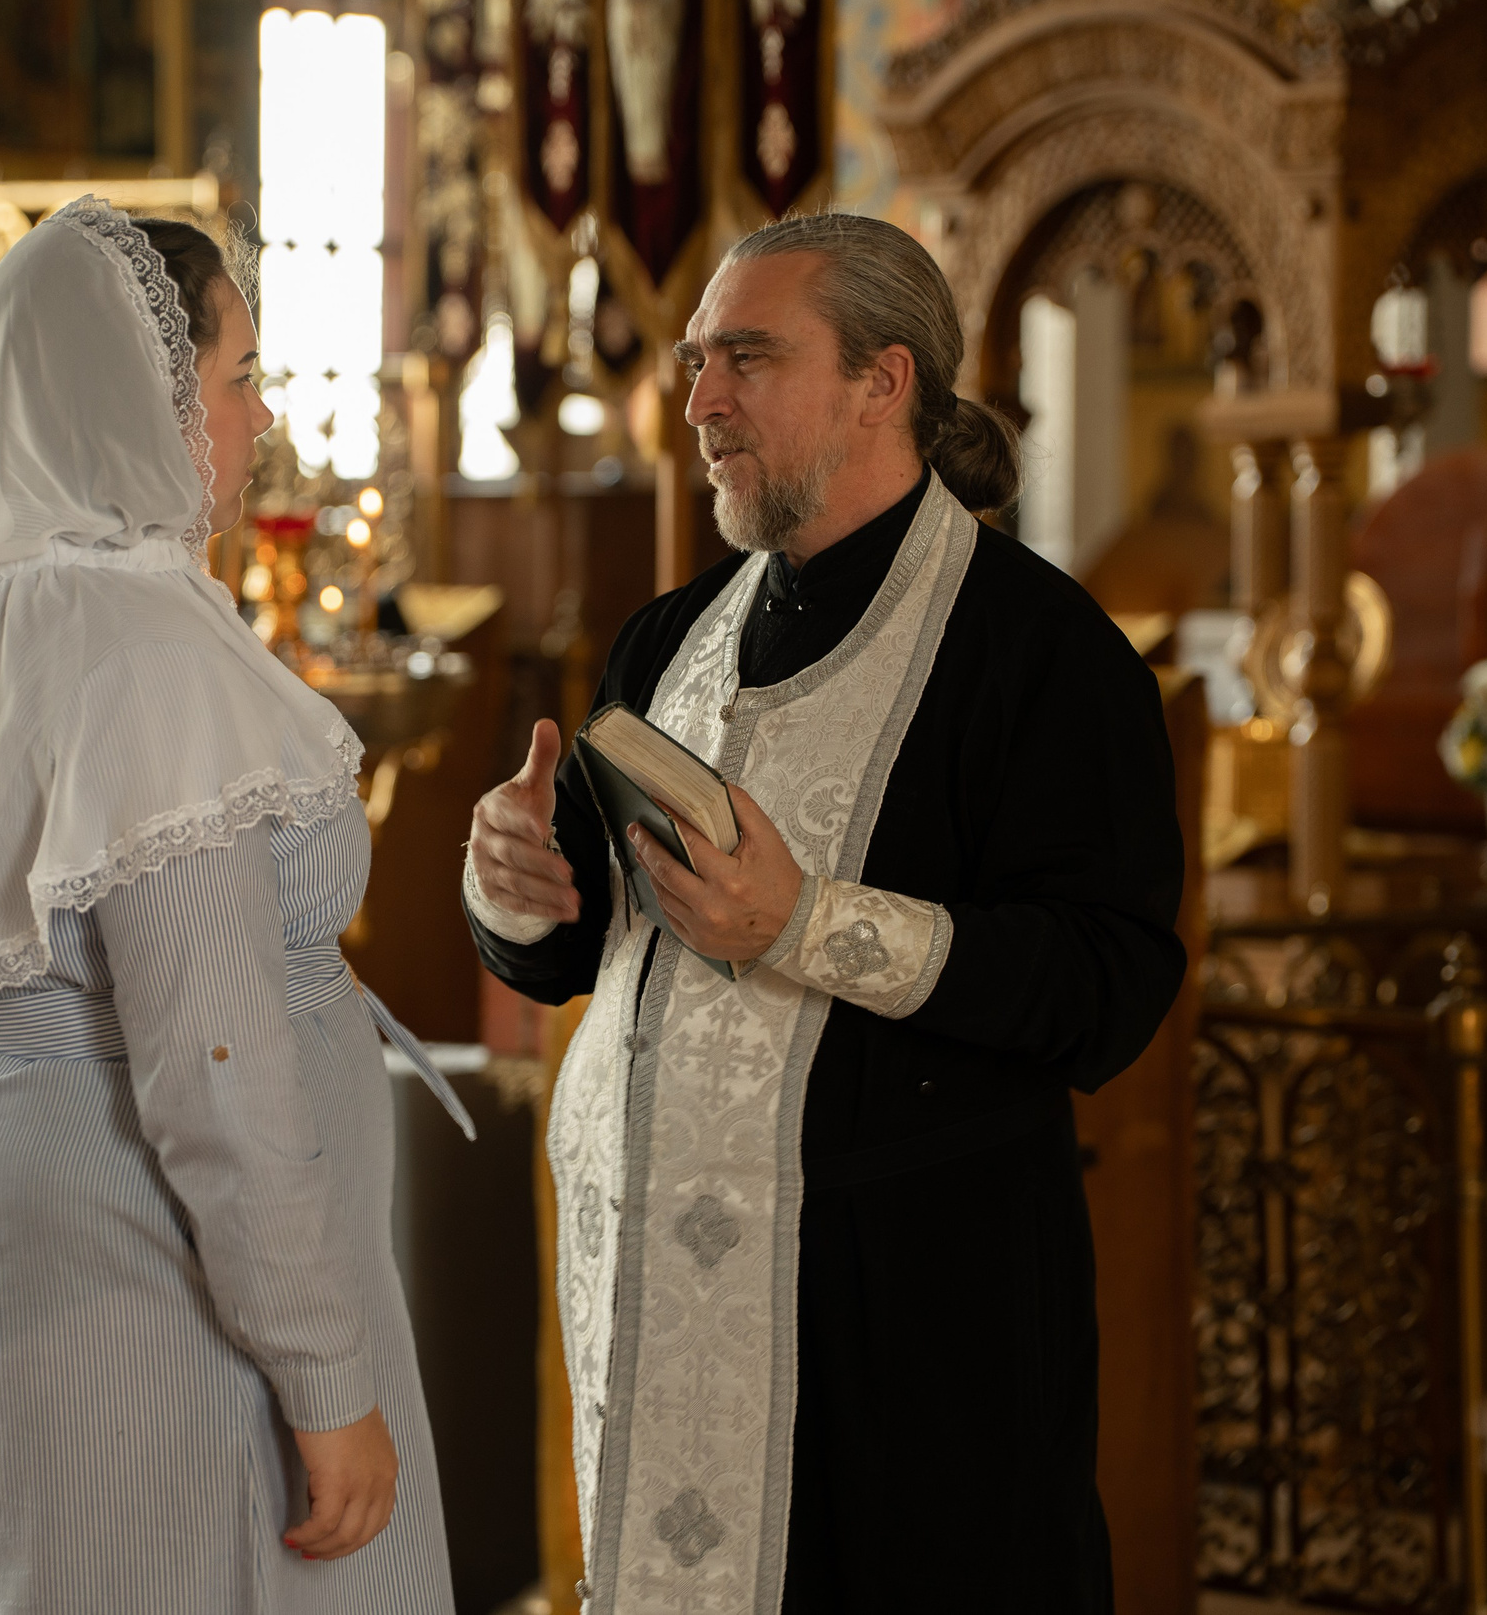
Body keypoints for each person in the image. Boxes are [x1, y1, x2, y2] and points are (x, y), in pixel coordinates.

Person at [465, 212, 1187, 1614]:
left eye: (747, 356)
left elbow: (1108, 982)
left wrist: (805, 925)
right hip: (660, 1325)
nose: (700, 401)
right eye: (693, 363)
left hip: (912, 1332)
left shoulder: (1044, 656)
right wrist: (509, 888)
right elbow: (578, 942)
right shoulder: (667, 638)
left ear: (884, 379)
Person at [0, 196, 467, 1615]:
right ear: (144, 394)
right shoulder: (137, 639)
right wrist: (325, 1375)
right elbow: (211, 1066)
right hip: (138, 1253)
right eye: (238, 381)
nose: (260, 422)